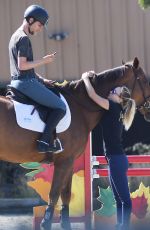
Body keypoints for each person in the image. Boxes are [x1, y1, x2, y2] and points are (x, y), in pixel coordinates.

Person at [82, 71, 136, 230]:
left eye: (115, 91)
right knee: (118, 199)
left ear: (120, 98)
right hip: (115, 159)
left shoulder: (113, 107)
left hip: (117, 160)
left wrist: (85, 77)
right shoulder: (116, 108)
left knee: (125, 199)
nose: (111, 92)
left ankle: (124, 226)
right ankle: (120, 225)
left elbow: (92, 95)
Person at [8, 5, 66, 154]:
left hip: (20, 81)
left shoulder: (15, 35)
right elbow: (22, 65)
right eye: (39, 25)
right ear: (30, 20)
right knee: (60, 107)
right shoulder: (23, 39)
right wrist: (44, 61)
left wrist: (42, 80)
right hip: (25, 83)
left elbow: (24, 68)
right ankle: (44, 141)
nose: (40, 29)